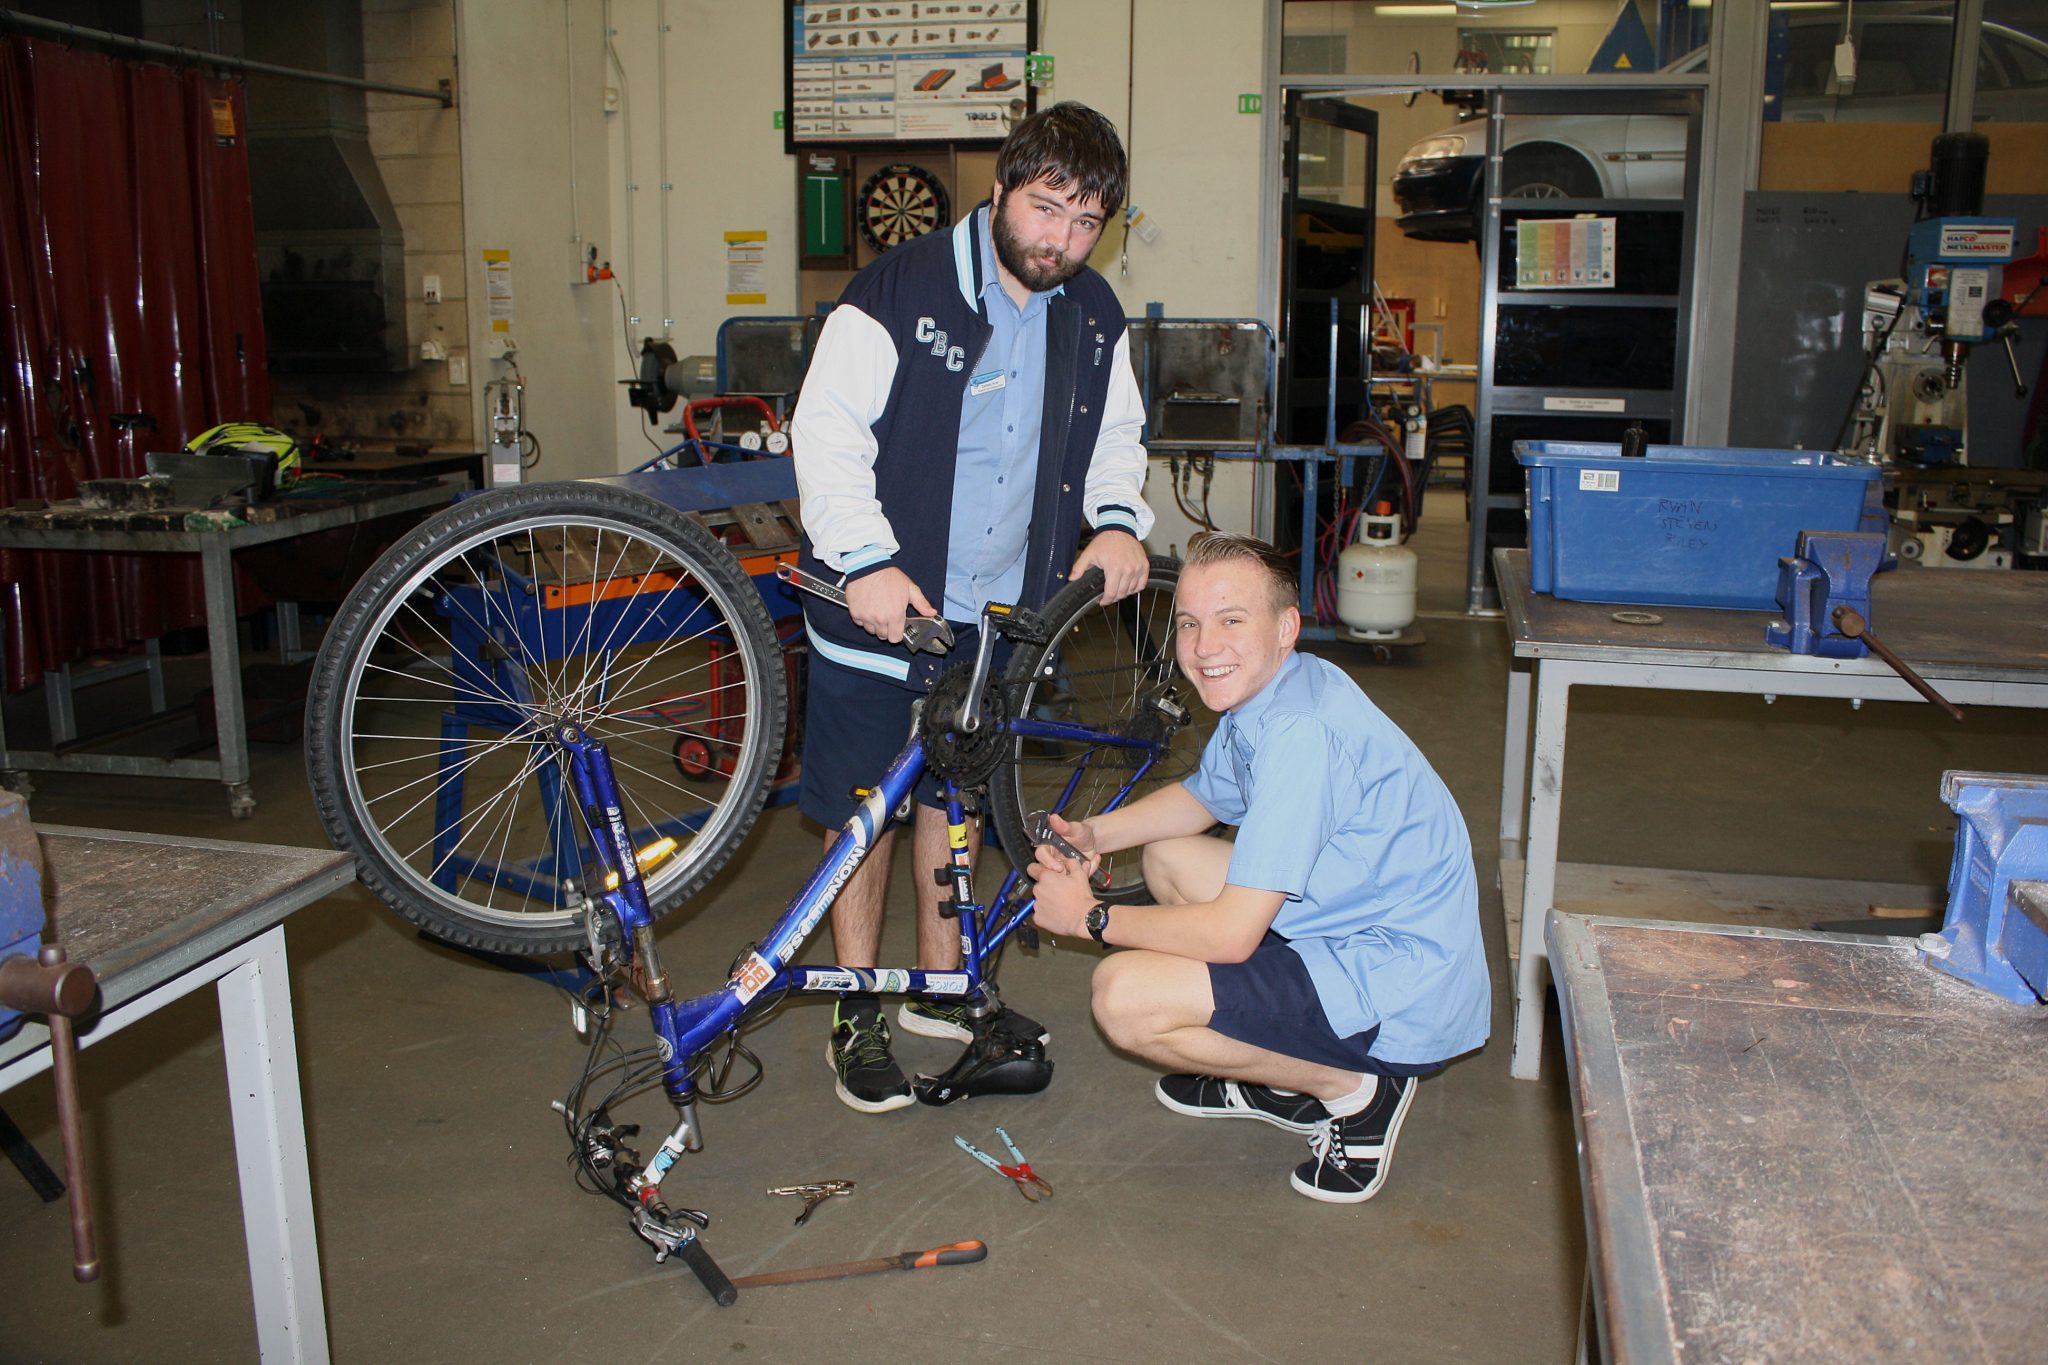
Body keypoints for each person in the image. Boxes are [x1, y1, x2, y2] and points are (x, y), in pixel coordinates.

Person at [789, 101, 1155, 1114]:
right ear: (998, 190)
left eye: (1085, 224)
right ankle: (858, 1004)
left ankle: (939, 989)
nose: (1060, 242)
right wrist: (862, 560)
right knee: (862, 815)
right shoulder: (894, 291)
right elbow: (823, 438)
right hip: (881, 607)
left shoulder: (1090, 312)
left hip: (999, 625)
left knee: (954, 799)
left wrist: (1118, 520)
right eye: (1044, 211)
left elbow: (1115, 435)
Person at [1026, 532, 1490, 1202]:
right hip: (1356, 918)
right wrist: (1096, 830)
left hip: (1401, 983)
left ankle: (1355, 1090)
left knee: (1123, 997)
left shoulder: (1301, 736)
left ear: (1286, 626)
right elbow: (1204, 796)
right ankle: (1274, 1065)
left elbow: (1230, 937)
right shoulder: (1277, 688)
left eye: (1230, 620)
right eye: (1188, 622)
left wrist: (1090, 917)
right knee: (1169, 857)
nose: (1204, 646)